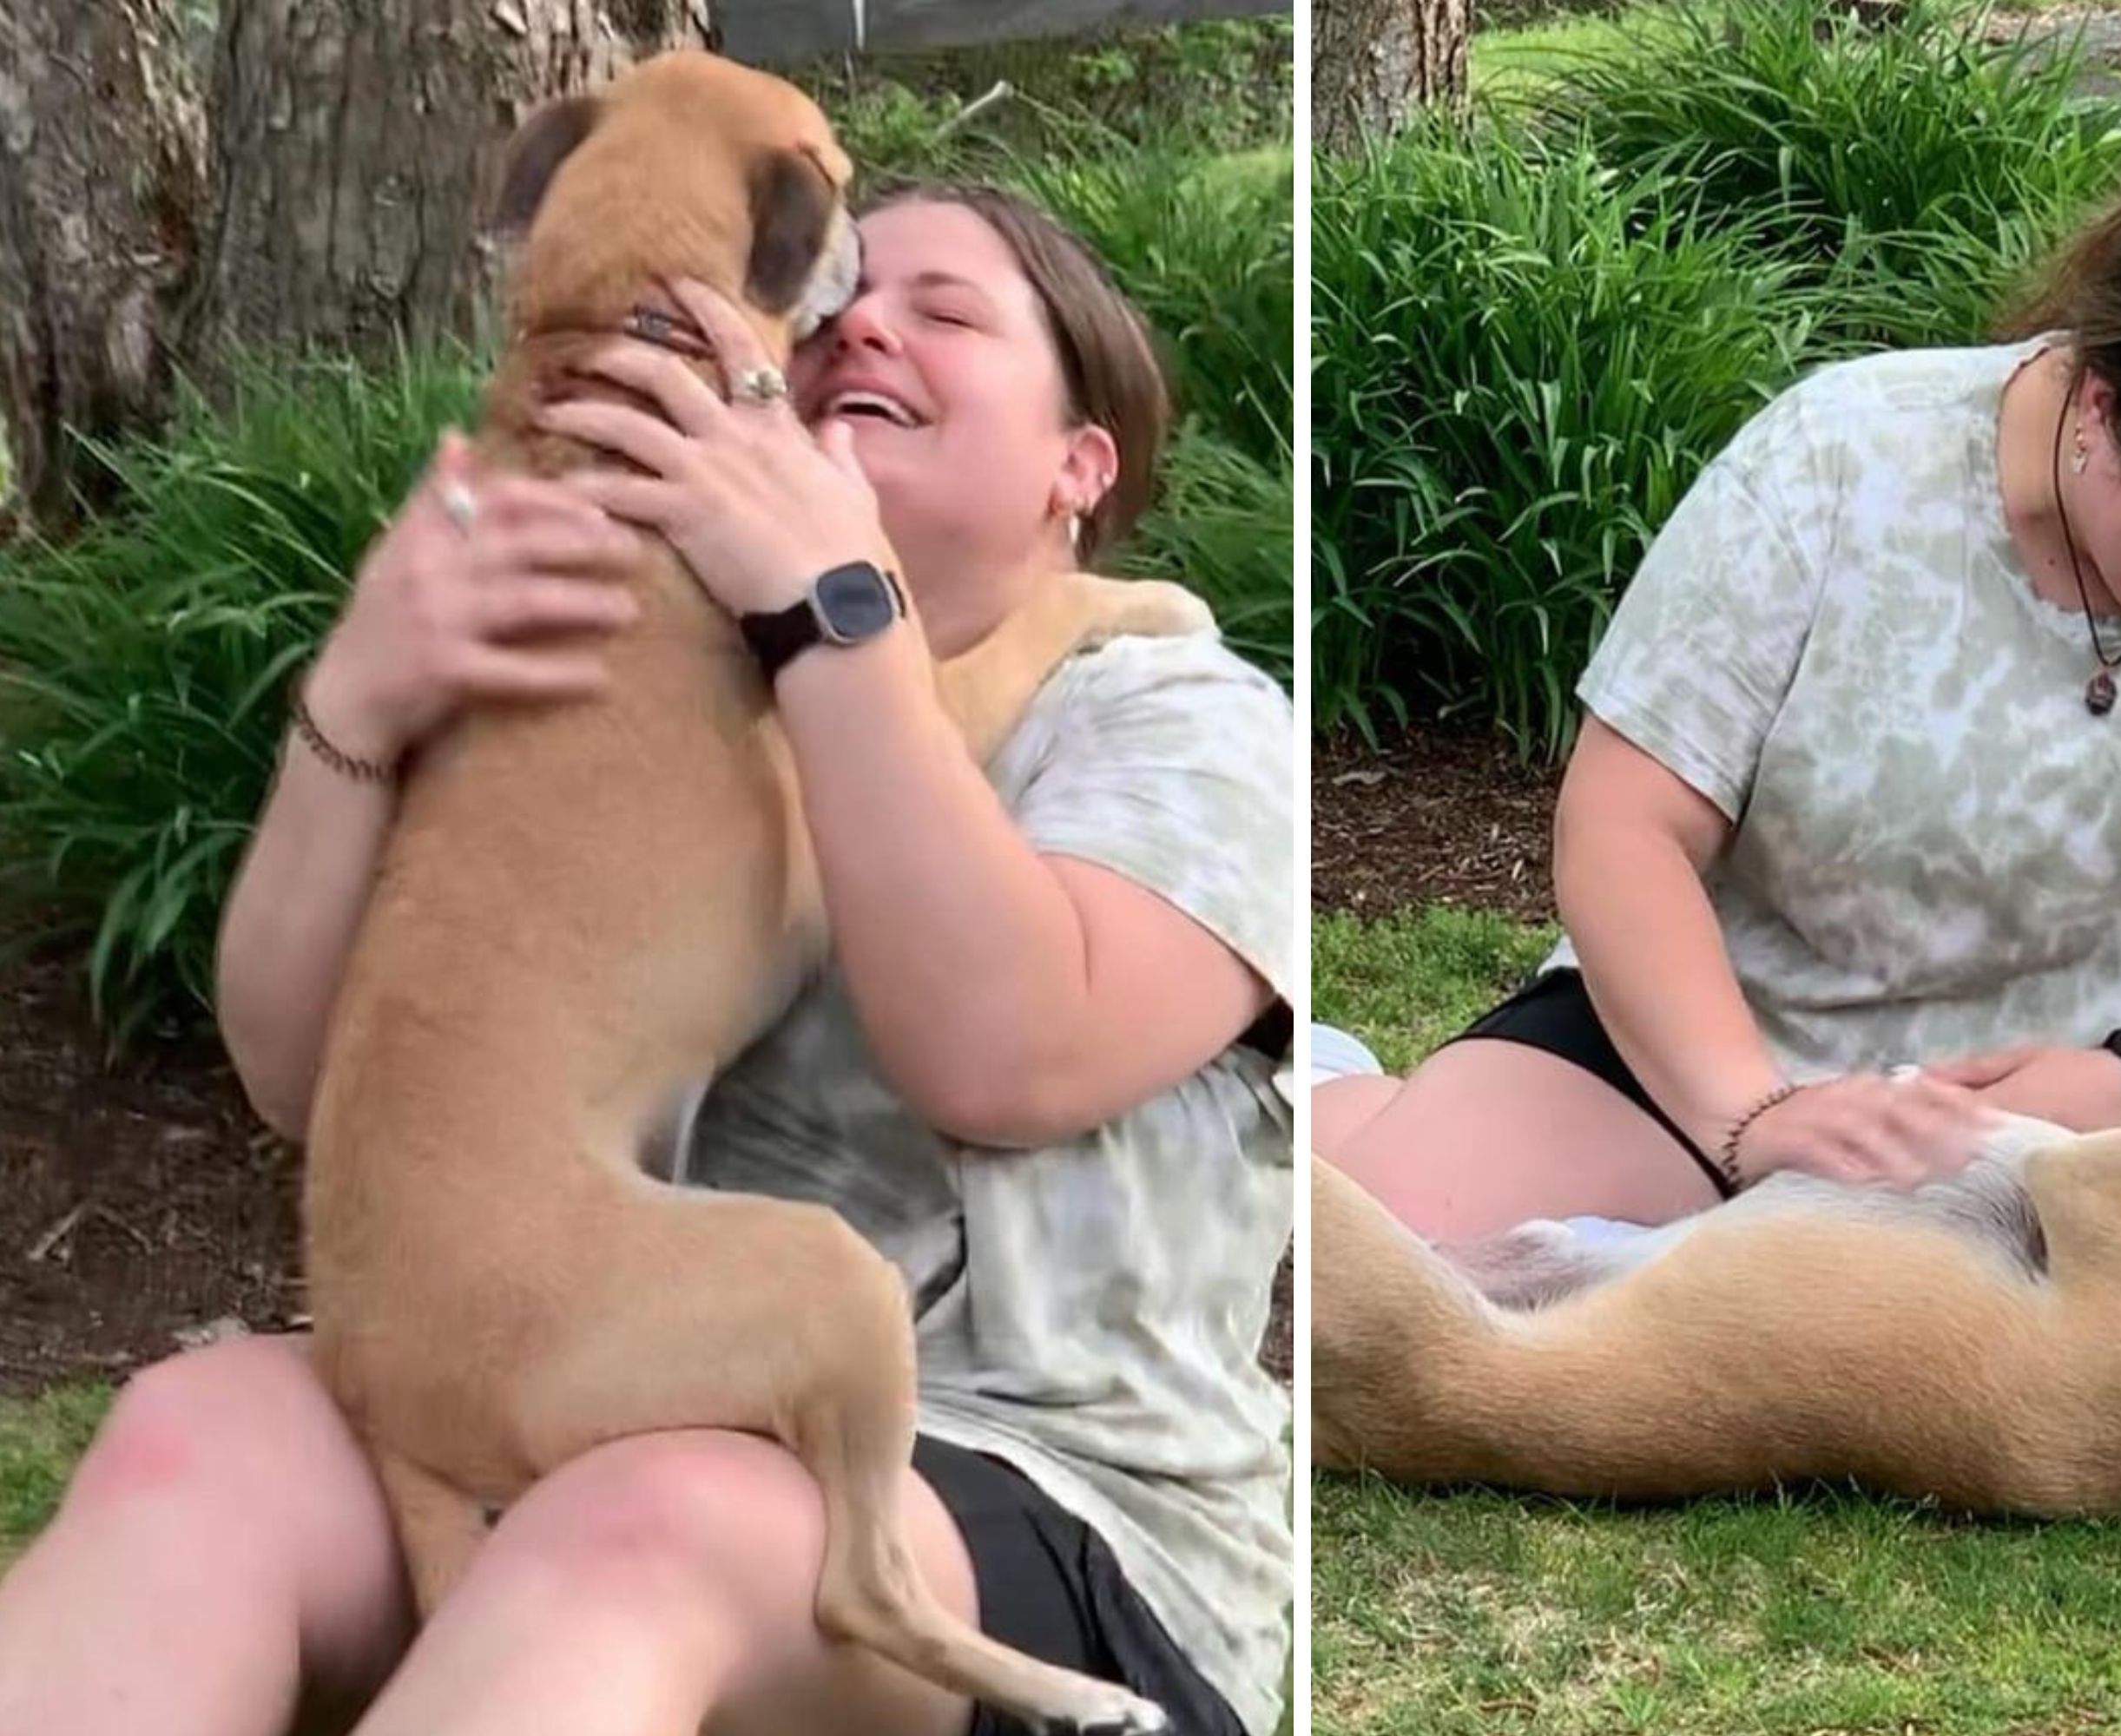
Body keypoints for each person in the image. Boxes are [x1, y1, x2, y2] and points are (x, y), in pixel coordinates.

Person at [0, 180, 1294, 1736]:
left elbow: (1008, 1048)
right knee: (192, 1441)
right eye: (837, 309)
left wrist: (831, 613)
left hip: (1044, 1503)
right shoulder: (638, 665)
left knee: (636, 1532)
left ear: (1077, 467)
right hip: (591, 1381)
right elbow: (301, 1074)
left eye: (945, 313)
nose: (863, 319)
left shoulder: (1176, 713)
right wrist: (358, 705)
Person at [1319, 163, 2121, 1285]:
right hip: (1745, 1070)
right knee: (1389, 1267)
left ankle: (1849, 1286)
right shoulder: (1837, 461)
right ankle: (1336, 1099)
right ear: (2098, 410)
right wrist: (1757, 1119)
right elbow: (1623, 825)